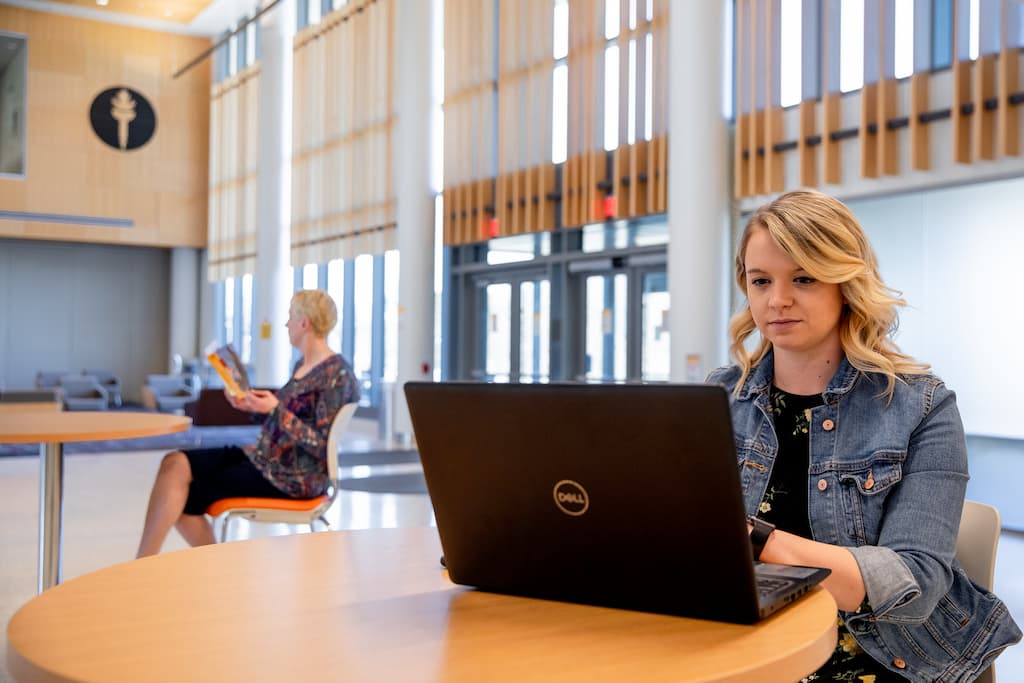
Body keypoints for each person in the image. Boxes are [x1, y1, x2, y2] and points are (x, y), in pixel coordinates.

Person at [707, 190, 1020, 682]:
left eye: (804, 278)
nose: (777, 299)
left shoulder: (922, 407)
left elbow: (916, 580)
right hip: (744, 646)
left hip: (876, 658)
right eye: (760, 280)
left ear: (846, 285)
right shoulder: (719, 398)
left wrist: (756, 541)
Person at [137, 289, 360, 557]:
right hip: (262, 459)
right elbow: (283, 420)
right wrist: (253, 407)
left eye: (291, 317)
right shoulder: (303, 365)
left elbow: (321, 444)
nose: (286, 324)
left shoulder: (338, 375)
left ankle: (148, 563)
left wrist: (276, 409)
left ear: (305, 323)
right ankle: (147, 561)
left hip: (291, 478)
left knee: (182, 496)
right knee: (175, 463)